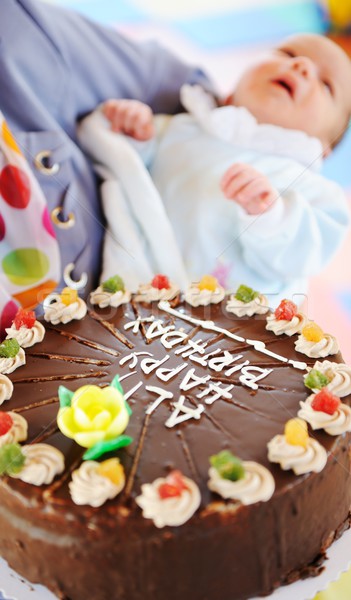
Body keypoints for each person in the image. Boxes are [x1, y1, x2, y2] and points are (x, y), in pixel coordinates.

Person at [78, 32, 351, 304]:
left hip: (225, 327)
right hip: (144, 289)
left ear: (324, 148)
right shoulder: (185, 126)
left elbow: (301, 256)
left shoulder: (312, 190)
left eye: (326, 84)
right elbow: (132, 173)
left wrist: (272, 216)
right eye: (288, 54)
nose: (301, 66)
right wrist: (136, 133)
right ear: (230, 93)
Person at [0, 0, 213, 335]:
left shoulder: (18, 33)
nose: (302, 68)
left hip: (138, 334)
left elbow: (187, 88)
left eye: (326, 84)